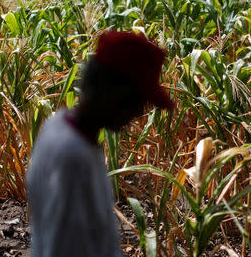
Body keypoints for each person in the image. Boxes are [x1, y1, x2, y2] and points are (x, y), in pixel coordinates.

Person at [26, 31, 175, 256]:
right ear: (112, 91)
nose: (138, 113)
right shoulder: (73, 156)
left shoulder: (56, 125)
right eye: (137, 101)